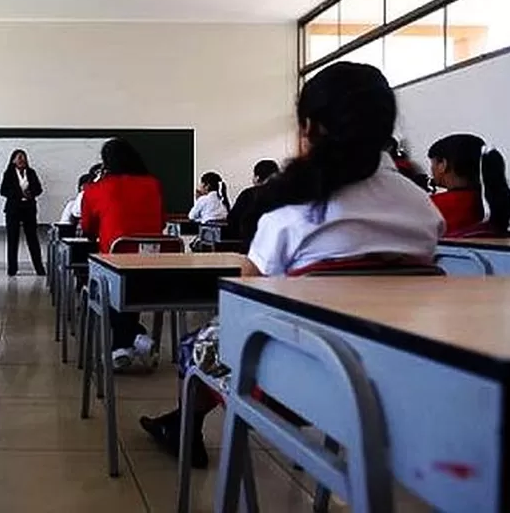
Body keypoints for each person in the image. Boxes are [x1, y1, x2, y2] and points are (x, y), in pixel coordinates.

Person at [140, 61, 444, 469]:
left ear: (309, 128)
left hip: (296, 385)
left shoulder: (293, 214)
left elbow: (244, 308)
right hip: (394, 383)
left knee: (202, 342)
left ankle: (184, 429)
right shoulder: (421, 207)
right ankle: (180, 424)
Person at [81, 138, 165, 371]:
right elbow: (161, 222)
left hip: (115, 266)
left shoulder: (95, 188)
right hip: (155, 269)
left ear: (106, 164)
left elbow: (87, 227)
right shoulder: (153, 184)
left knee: (103, 286)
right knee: (127, 279)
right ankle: (127, 343)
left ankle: (132, 341)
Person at [429, 133, 510, 237]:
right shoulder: (492, 202)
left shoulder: (431, 206)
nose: (431, 169)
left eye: (432, 163)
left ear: (443, 164)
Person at [0, 149, 46, 276]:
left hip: (29, 209)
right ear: (13, 160)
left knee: (33, 239)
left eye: (23, 157)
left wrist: (31, 193)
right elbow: (3, 191)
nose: (21, 160)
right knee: (12, 239)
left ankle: (39, 268)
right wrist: (20, 194)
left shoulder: (31, 173)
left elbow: (39, 189)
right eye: (18, 158)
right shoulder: (8, 173)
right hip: (13, 209)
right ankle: (12, 269)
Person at [225, 159, 279, 240]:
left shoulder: (247, 194)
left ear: (257, 178)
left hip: (250, 244)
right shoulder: (285, 195)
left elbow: (232, 219)